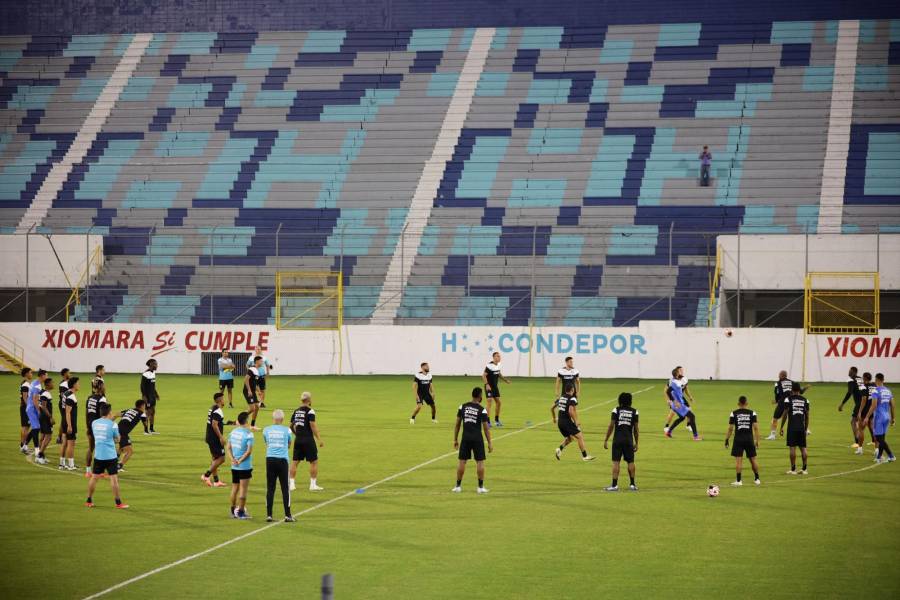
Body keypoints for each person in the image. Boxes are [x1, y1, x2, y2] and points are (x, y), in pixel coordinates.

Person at [85, 403, 128, 509]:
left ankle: (89, 500)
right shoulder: (112, 424)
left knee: (94, 478)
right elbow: (118, 439)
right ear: (109, 412)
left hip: (98, 455)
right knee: (114, 479)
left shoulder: (94, 423)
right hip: (110, 456)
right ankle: (118, 503)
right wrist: (115, 438)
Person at [452, 388, 493, 494]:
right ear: (480, 397)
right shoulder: (482, 409)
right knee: (480, 462)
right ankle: (480, 487)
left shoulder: (462, 407)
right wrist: (489, 443)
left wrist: (455, 439)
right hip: (477, 438)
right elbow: (485, 428)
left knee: (462, 461)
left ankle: (457, 486)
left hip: (465, 437)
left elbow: (457, 425)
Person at [603, 392, 639, 491]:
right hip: (629, 440)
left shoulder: (616, 410)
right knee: (631, 462)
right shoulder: (635, 412)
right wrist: (637, 442)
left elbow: (611, 426)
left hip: (617, 440)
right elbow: (636, 429)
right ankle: (632, 484)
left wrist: (606, 439)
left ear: (620, 400)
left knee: (616, 462)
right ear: (630, 401)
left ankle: (614, 485)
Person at [263, 409, 295, 522]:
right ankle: (288, 515)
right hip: (282, 461)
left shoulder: (266, 430)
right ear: (282, 419)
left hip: (270, 460)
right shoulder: (287, 430)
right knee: (285, 488)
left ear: (273, 418)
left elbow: (266, 443)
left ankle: (269, 515)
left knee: (270, 488)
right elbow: (289, 444)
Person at [289, 391, 324, 492]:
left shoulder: (296, 411)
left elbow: (291, 426)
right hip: (308, 440)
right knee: (314, 462)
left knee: (295, 462)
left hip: (298, 440)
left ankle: (292, 484)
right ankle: (313, 485)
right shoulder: (310, 411)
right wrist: (319, 439)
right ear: (309, 400)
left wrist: (296, 434)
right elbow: (313, 426)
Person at [552, 383, 594, 461]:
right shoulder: (572, 399)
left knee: (570, 438)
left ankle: (559, 449)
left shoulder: (561, 398)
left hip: (560, 423)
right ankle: (585, 456)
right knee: (580, 436)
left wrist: (554, 418)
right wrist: (576, 421)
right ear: (572, 390)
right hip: (566, 422)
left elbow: (552, 408)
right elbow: (571, 411)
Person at [724, 396, 761, 486]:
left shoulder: (734, 413)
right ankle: (757, 479)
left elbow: (730, 428)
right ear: (747, 403)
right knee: (753, 459)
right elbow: (755, 428)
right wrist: (757, 440)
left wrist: (727, 439)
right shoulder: (753, 413)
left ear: (738, 404)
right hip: (749, 439)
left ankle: (739, 481)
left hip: (738, 439)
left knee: (738, 460)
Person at [227, 411, 254, 519]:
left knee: (234, 488)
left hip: (234, 466)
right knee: (243, 490)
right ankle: (241, 512)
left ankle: (233, 510)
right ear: (247, 421)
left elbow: (228, 447)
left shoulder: (233, 432)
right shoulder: (248, 434)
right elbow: (248, 452)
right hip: (244, 466)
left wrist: (233, 459)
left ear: (238, 421)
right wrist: (240, 460)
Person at [767, 370, 808, 440]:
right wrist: (805, 388)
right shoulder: (792, 382)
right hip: (792, 401)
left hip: (783, 402)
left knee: (775, 419)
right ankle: (806, 430)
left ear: (782, 375)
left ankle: (772, 435)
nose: (778, 376)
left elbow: (777, 393)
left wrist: (776, 401)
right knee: (796, 416)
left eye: (779, 375)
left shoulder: (778, 383)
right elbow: (800, 391)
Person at [779, 382, 810, 475]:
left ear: (792, 389)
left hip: (792, 427)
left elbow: (785, 414)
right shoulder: (805, 400)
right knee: (803, 448)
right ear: (799, 390)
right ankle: (804, 469)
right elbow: (807, 416)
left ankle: (793, 469)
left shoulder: (788, 400)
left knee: (792, 448)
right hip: (801, 427)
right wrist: (806, 428)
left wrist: (781, 427)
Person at [663, 367, 700, 440]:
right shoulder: (674, 382)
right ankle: (695, 436)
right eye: (680, 371)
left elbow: (684, 385)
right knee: (692, 416)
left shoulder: (678, 380)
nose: (682, 372)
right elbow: (667, 391)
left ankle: (669, 432)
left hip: (678, 404)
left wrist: (689, 397)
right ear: (677, 374)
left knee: (682, 418)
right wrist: (674, 401)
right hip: (678, 404)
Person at [866, 374, 895, 463]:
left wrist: (867, 416)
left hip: (879, 417)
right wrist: (893, 418)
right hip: (887, 417)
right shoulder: (888, 391)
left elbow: (874, 405)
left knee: (879, 438)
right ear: (883, 380)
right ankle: (879, 457)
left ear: (877, 380)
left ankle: (891, 456)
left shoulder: (876, 391)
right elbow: (892, 405)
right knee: (881, 438)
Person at [83, 381, 109, 478]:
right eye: (104, 385)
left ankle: (88, 471)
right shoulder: (102, 399)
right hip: (99, 427)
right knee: (101, 449)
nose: (105, 387)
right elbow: (103, 414)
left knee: (91, 448)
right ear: (101, 387)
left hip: (90, 425)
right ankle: (99, 472)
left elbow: (87, 412)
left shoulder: (90, 397)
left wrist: (87, 426)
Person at [202, 392, 228, 487]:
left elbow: (214, 422)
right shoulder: (218, 411)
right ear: (220, 400)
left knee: (215, 459)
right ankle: (206, 475)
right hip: (215, 438)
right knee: (221, 458)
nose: (224, 400)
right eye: (223, 398)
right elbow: (214, 424)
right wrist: (221, 437)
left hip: (209, 436)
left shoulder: (212, 408)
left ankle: (216, 481)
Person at [839, 366, 866, 453]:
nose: (849, 373)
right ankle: (873, 441)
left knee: (853, 421)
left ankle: (857, 442)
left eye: (850, 371)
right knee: (866, 422)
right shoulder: (860, 379)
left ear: (854, 372)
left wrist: (842, 404)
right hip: (865, 402)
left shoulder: (851, 380)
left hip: (859, 404)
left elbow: (849, 392)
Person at [482, 351, 510, 427]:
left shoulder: (499, 365)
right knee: (489, 403)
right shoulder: (489, 365)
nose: (499, 357)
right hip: (489, 387)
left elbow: (498, 373)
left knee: (499, 403)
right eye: (497, 356)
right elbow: (483, 376)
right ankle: (487, 422)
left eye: (499, 356)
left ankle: (497, 421)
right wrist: (487, 384)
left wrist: (505, 380)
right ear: (493, 357)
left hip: (495, 387)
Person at [117, 400, 146, 471]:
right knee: (130, 451)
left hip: (117, 429)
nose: (145, 407)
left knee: (121, 448)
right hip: (123, 433)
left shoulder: (130, 410)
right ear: (142, 406)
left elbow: (117, 414)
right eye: (144, 406)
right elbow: (145, 423)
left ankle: (113, 464)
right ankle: (118, 466)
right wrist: (146, 429)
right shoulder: (142, 413)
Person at [25, 369, 47, 455]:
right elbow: (35, 400)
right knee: (36, 428)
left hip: (30, 408)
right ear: (42, 376)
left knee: (35, 428)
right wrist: (39, 411)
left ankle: (24, 445)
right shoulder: (37, 386)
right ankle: (37, 449)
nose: (47, 377)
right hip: (32, 409)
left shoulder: (34, 382)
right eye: (46, 375)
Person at [61, 377, 80, 471]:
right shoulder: (71, 396)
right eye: (78, 383)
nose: (79, 385)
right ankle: (71, 465)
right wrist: (70, 425)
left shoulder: (65, 393)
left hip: (64, 421)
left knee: (65, 443)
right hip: (70, 422)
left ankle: (62, 463)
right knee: (71, 444)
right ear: (74, 384)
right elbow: (68, 412)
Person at [36, 377, 55, 464]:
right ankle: (40, 455)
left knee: (43, 436)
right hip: (45, 417)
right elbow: (43, 406)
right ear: (47, 384)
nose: (53, 384)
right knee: (48, 436)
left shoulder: (42, 392)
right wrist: (50, 416)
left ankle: (40, 456)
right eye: (52, 383)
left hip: (42, 416)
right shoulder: (46, 393)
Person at [857, 372, 878, 450]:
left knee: (861, 429)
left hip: (865, 410)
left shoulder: (864, 387)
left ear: (865, 378)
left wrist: (859, 411)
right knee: (873, 429)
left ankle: (860, 449)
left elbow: (864, 399)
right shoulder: (874, 386)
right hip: (872, 410)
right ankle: (877, 449)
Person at [242, 356, 262, 430]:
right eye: (261, 361)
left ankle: (252, 425)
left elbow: (254, 383)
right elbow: (246, 380)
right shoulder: (251, 369)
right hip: (248, 391)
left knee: (257, 407)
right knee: (252, 408)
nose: (262, 362)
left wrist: (258, 391)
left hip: (252, 391)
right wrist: (249, 390)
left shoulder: (257, 371)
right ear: (256, 362)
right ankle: (241, 418)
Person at [140, 359, 159, 434]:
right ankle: (145, 430)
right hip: (147, 396)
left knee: (153, 412)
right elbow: (142, 386)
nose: (157, 365)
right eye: (155, 364)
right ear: (151, 364)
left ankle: (151, 429)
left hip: (152, 396)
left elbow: (153, 386)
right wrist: (144, 396)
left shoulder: (153, 372)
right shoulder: (145, 374)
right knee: (147, 413)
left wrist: (156, 394)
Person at [19, 367, 33, 454]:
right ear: (26, 374)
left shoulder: (25, 383)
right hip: (26, 408)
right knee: (25, 427)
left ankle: (23, 446)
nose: (31, 374)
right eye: (30, 373)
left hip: (25, 407)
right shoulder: (25, 385)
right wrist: (29, 409)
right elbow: (25, 398)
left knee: (26, 427)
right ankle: (22, 446)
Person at [56, 368, 70, 445]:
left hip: (66, 404)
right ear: (65, 374)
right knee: (64, 421)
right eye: (68, 373)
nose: (70, 374)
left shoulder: (66, 383)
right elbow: (63, 395)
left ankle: (61, 437)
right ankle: (60, 437)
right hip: (63, 404)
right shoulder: (63, 384)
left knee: (65, 420)